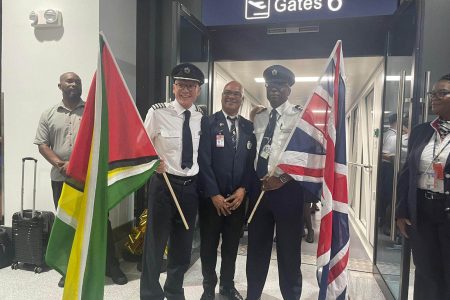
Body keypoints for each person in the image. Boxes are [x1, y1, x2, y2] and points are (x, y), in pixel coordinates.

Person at [34, 72, 127, 287]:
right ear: (60, 86)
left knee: (101, 222)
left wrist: (79, 166)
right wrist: (61, 164)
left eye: (78, 81)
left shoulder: (93, 113)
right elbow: (42, 144)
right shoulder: (49, 114)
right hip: (61, 178)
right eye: (69, 81)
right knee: (68, 223)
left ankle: (111, 266)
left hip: (90, 179)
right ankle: (70, 269)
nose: (74, 84)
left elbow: (104, 142)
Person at [140, 63, 206, 300]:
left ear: (198, 90)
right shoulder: (158, 112)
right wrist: (152, 163)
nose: (186, 90)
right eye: (181, 85)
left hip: (190, 188)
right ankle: (150, 294)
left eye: (191, 86)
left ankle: (174, 290)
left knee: (183, 246)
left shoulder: (200, 117)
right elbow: (142, 147)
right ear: (174, 87)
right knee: (155, 245)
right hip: (163, 186)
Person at [246, 65, 304, 300]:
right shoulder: (259, 117)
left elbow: (305, 155)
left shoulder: (300, 116)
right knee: (256, 249)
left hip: (288, 192)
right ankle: (253, 295)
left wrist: (281, 179)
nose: (274, 90)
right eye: (270, 86)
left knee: (289, 250)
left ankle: (291, 296)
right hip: (259, 191)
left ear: (289, 89)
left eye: (280, 86)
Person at [198, 81, 256, 300]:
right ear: (222, 96)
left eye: (236, 94)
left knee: (231, 247)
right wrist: (214, 195)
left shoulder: (248, 127)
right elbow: (203, 161)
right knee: (209, 247)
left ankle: (227, 286)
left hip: (236, 202)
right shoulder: (209, 123)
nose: (231, 97)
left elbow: (251, 164)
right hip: (212, 201)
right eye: (227, 93)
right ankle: (208, 289)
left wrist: (243, 189)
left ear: (242, 99)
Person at [396, 73, 450, 300]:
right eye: (432, 93)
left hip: (447, 211)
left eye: (442, 93)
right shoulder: (421, 131)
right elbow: (407, 172)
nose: (434, 98)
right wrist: (401, 210)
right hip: (422, 210)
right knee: (426, 272)